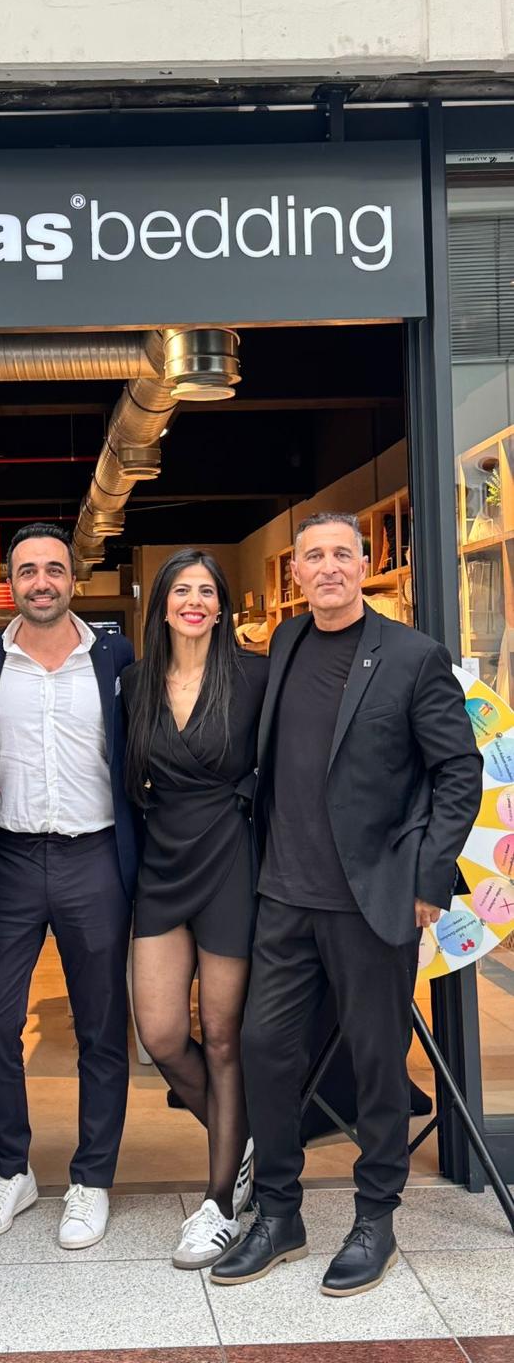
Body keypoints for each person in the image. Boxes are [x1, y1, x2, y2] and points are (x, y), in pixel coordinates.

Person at [211, 512, 483, 1298]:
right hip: (283, 894)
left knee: (376, 1061)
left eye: (341, 554)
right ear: (294, 573)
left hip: (372, 897)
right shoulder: (288, 642)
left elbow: (457, 771)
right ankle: (279, 1214)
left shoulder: (413, 656)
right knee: (264, 1048)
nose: (328, 567)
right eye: (313, 556)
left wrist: (430, 877)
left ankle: (375, 1218)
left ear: (363, 565)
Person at [0, 523, 142, 1250]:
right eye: (27, 570)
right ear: (10, 582)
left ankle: (92, 1179)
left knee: (101, 1026)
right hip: (7, 859)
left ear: (74, 578)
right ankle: (11, 1171)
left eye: (54, 569)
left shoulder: (114, 655)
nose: (41, 581)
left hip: (94, 856)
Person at [123, 549, 267, 1269]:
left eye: (206, 591)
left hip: (230, 857)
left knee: (221, 1036)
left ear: (221, 605)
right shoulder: (135, 683)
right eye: (181, 590)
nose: (194, 601)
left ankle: (219, 1204)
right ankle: (249, 1146)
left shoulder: (254, 676)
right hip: (162, 860)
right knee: (159, 1031)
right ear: (162, 605)